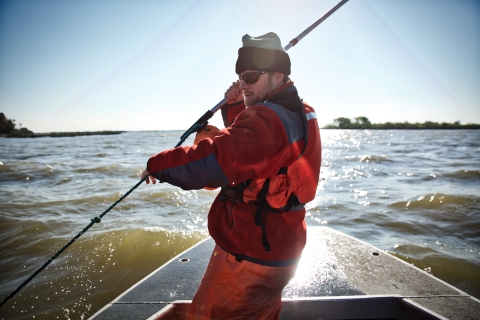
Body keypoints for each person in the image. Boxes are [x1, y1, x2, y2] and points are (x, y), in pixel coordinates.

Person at [141, 32, 321, 320]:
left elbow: (212, 163)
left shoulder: (269, 120)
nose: (244, 85)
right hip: (280, 248)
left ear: (277, 74)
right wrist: (237, 106)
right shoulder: (299, 111)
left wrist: (157, 164)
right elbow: (255, 148)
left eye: (250, 77)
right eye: (240, 79)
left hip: (250, 255)